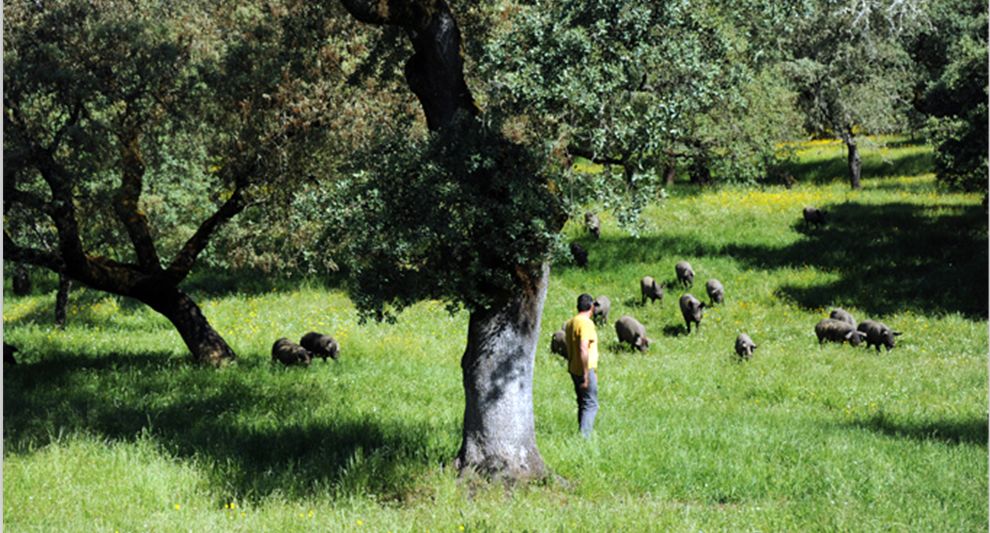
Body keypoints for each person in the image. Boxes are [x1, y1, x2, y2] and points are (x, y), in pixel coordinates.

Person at [564, 293, 599, 437]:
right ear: (591, 307)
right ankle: (585, 438)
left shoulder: (571, 322)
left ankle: (581, 432)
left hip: (573, 368)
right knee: (591, 405)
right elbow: (583, 348)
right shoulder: (586, 323)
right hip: (584, 369)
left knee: (582, 402)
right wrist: (586, 375)